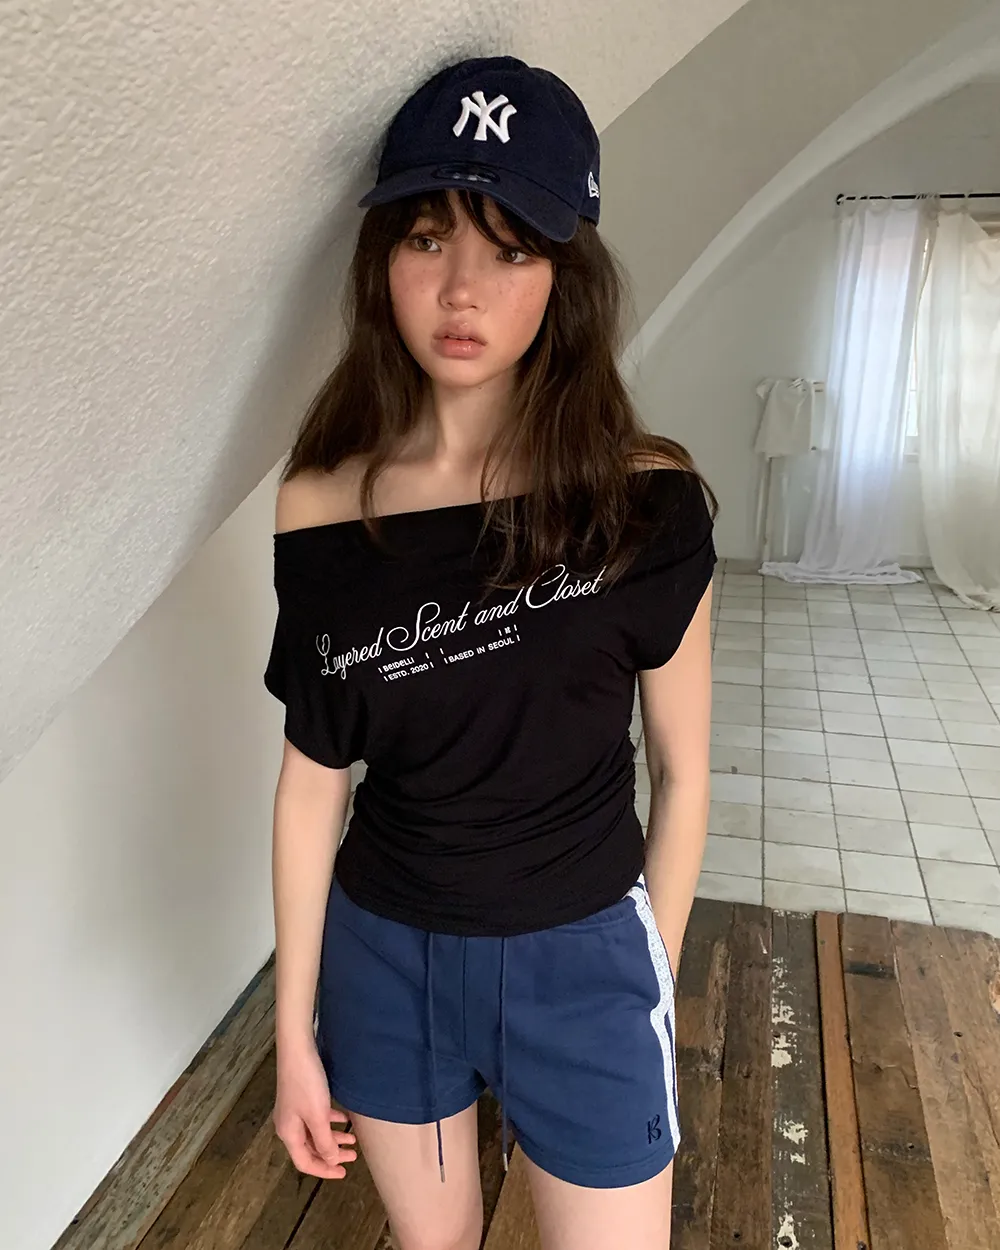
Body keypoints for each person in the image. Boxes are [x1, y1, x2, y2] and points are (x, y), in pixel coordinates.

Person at [264, 54, 717, 1250]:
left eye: (509, 248)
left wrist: (649, 980)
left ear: (565, 274)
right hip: (384, 956)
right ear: (383, 261)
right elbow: (312, 782)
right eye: (428, 238)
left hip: (584, 958)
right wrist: (292, 1031)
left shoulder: (645, 503)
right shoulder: (322, 506)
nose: (460, 287)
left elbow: (684, 772)